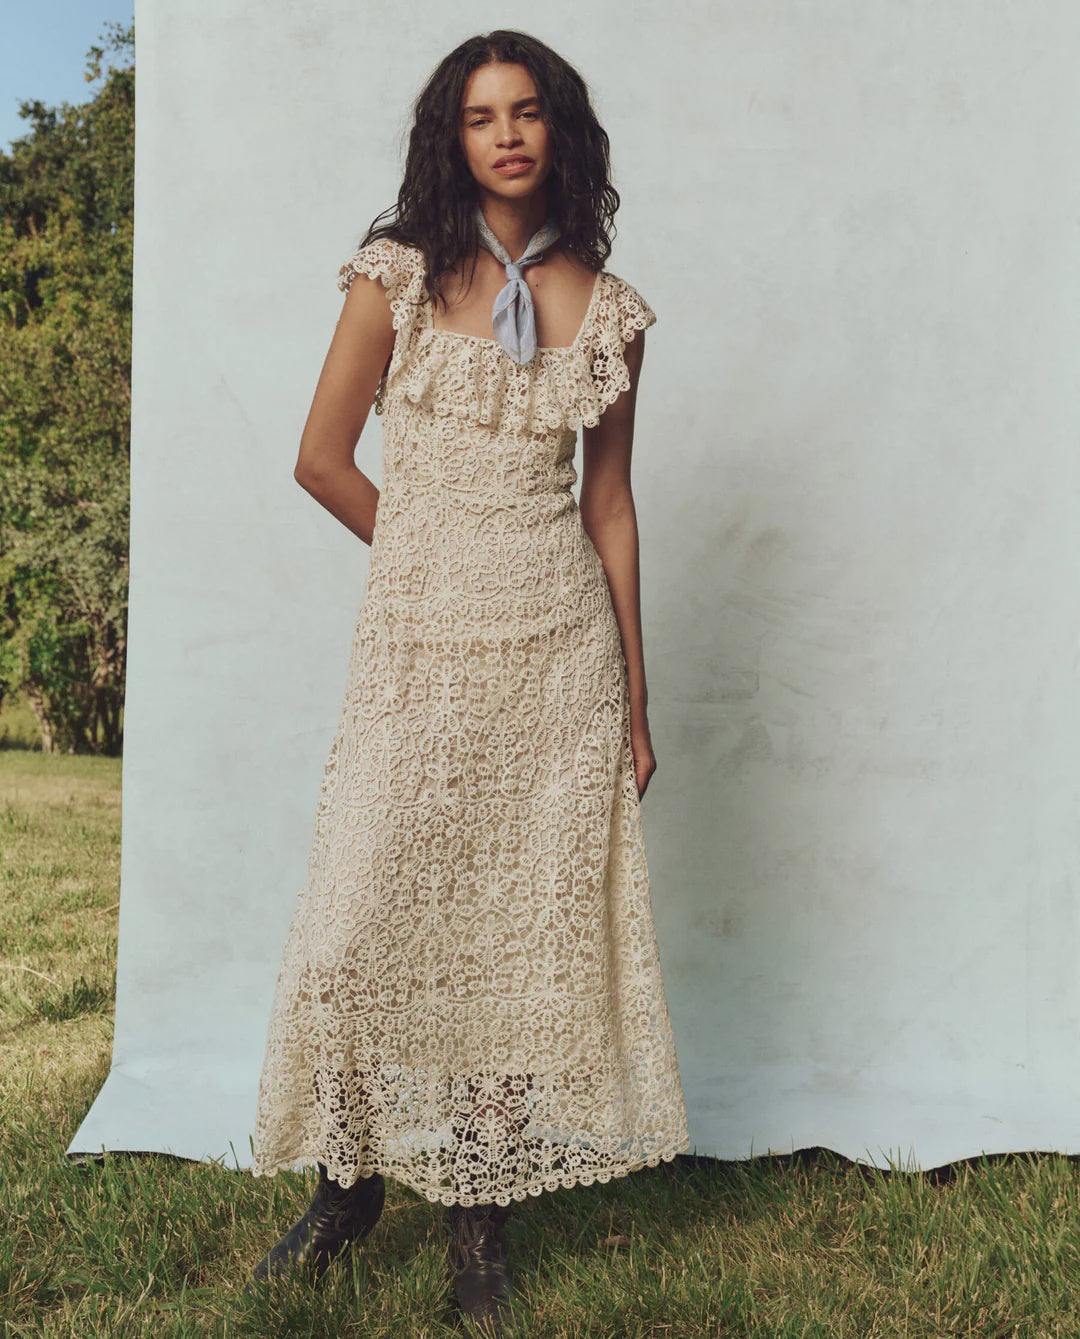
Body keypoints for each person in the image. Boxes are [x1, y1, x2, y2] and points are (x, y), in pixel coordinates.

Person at [245, 28, 691, 1336]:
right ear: (452, 136)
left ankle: (480, 1222)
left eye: (529, 110)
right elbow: (323, 459)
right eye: (482, 114)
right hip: (419, 646)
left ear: (561, 133)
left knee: (506, 934)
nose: (506, 132)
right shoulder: (391, 279)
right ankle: (347, 1183)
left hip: (558, 659)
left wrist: (640, 705)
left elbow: (610, 507)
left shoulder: (607, 313)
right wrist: (436, 561)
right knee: (360, 912)